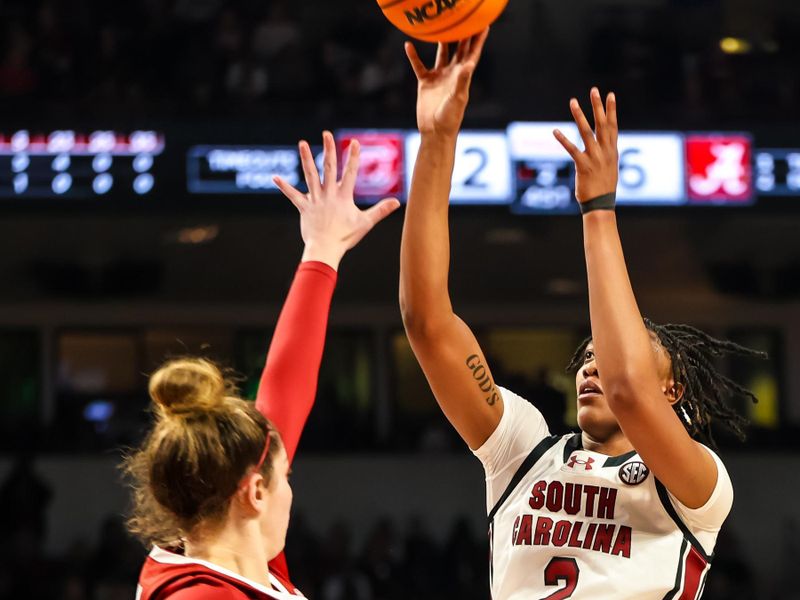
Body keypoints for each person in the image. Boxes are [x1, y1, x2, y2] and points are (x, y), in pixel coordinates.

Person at [399, 31, 765, 599]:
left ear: (672, 392)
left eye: (613, 353)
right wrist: (438, 137)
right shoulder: (523, 452)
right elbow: (426, 321)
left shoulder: (699, 484)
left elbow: (628, 390)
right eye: (587, 356)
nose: (594, 365)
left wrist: (597, 209)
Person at [127, 131, 400, 600]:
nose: (289, 489)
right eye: (285, 478)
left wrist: (323, 253)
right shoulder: (203, 595)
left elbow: (284, 392)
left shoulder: (232, 560)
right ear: (255, 493)